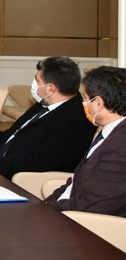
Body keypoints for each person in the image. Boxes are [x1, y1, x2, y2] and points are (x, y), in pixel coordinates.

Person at [0, 56, 95, 180]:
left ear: (50, 88)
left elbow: (39, 161)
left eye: (37, 80)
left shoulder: (77, 121)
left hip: (18, 180)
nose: (34, 84)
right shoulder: (44, 103)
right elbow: (14, 133)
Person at [45, 66, 126, 216]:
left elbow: (91, 206)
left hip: (85, 223)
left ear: (98, 103)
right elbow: (76, 182)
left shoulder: (121, 146)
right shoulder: (112, 130)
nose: (83, 104)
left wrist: (45, 210)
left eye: (85, 98)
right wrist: (43, 205)